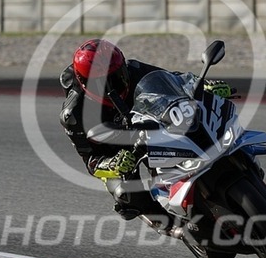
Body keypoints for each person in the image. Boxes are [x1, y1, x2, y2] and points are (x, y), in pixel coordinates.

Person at [59, 38, 233, 223]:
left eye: (117, 77)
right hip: (116, 149)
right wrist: (112, 164)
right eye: (101, 84)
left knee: (198, 124)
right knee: (126, 193)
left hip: (148, 123)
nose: (113, 87)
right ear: (85, 84)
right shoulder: (74, 114)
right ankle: (172, 225)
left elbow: (173, 80)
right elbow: (91, 162)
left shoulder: (133, 68)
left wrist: (202, 85)